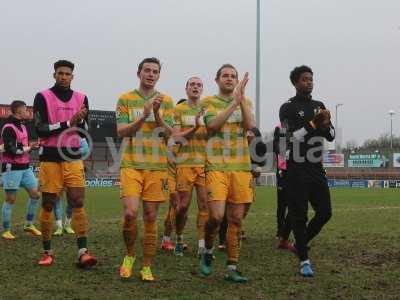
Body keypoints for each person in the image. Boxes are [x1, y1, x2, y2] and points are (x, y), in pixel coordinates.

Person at [33, 59, 97, 267]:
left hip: (72, 157)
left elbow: (84, 130)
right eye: (60, 73)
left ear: (72, 76)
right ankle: (47, 251)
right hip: (50, 157)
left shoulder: (82, 98)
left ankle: (83, 251)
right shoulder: (42, 97)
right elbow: (40, 129)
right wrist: (67, 123)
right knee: (48, 203)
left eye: (67, 74)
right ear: (54, 75)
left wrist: (78, 124)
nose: (63, 76)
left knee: (78, 201)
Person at [116, 57, 174, 281]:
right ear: (138, 73)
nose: (151, 74)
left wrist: (157, 114)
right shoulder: (125, 99)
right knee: (130, 213)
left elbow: (171, 134)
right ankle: (129, 256)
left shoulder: (166, 100)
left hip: (157, 167)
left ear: (159, 75)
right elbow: (121, 131)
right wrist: (144, 115)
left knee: (150, 216)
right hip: (131, 164)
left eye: (155, 71)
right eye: (147, 70)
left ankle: (147, 265)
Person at [200, 64, 255, 283]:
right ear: (217, 79)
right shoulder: (208, 102)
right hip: (216, 166)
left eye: (233, 76)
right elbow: (212, 125)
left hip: (240, 167)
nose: (230, 79)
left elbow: (250, 125)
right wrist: (234, 102)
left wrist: (241, 101)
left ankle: (232, 266)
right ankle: (208, 250)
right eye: (225, 76)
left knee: (236, 220)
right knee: (215, 217)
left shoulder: (245, 102)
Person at [279, 65, 334, 277]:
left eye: (311, 78)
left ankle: (297, 243)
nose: (309, 82)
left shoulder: (319, 105)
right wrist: (312, 124)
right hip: (296, 167)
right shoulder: (287, 108)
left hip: (316, 167)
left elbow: (330, 136)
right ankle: (304, 260)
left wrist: (326, 124)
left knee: (325, 212)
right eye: (304, 79)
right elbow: (289, 138)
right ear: (295, 83)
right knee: (299, 216)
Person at [172, 77, 208, 257]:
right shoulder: (178, 109)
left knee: (205, 206)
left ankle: (202, 244)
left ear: (202, 89)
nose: (195, 87)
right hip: (185, 164)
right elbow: (177, 137)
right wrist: (195, 127)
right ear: (186, 89)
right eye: (192, 84)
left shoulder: (208, 109)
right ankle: (179, 237)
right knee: (183, 207)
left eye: (199, 85)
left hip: (205, 165)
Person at [1, 100, 41, 240]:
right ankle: (6, 230)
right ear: (18, 111)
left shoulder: (23, 126)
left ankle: (29, 224)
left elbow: (21, 147)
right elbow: (12, 150)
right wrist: (29, 148)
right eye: (25, 110)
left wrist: (31, 146)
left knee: (35, 195)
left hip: (25, 167)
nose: (27, 112)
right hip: (12, 168)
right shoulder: (8, 127)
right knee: (10, 199)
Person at [53, 138, 89, 236]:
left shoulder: (79, 135)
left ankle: (67, 224)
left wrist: (66, 151)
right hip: (58, 168)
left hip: (74, 168)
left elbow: (85, 149)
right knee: (56, 198)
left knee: (73, 200)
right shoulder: (58, 134)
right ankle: (59, 227)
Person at [273, 124, 295, 251]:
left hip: (296, 170)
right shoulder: (279, 128)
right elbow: (275, 146)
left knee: (295, 202)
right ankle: (280, 231)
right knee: (282, 204)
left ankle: (292, 231)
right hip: (282, 171)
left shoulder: (297, 126)